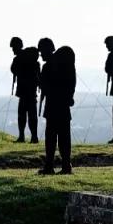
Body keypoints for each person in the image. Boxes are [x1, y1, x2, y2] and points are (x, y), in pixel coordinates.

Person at [40, 45, 77, 174]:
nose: (41, 55)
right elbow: (72, 83)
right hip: (63, 106)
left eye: (42, 51)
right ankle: (66, 165)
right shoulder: (66, 66)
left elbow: (43, 86)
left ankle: (50, 166)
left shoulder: (47, 67)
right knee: (64, 137)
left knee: (51, 137)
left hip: (52, 106)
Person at [9, 37, 40, 144]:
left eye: (13, 47)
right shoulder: (31, 58)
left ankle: (22, 136)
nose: (13, 50)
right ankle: (34, 137)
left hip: (24, 91)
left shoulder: (18, 59)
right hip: (31, 91)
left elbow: (13, 69)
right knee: (32, 115)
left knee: (22, 115)